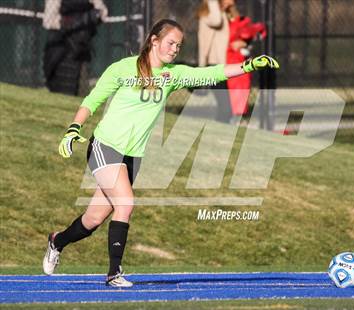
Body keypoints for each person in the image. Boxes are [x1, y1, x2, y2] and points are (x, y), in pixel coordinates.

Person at [43, 19, 279, 287]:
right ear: (154, 41)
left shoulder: (172, 74)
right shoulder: (123, 68)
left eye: (179, 45)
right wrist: (73, 128)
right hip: (105, 145)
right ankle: (113, 274)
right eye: (170, 43)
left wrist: (247, 66)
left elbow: (210, 74)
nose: (175, 49)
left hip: (132, 157)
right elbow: (92, 100)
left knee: (93, 219)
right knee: (126, 203)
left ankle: (57, 240)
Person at [42, 0, 108, 96]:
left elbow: (102, 13)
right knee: (59, 87)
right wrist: (73, 22)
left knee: (80, 91)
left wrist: (88, 18)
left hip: (81, 49)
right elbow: (49, 21)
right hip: (60, 47)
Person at [197, 0, 246, 123]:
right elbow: (217, 20)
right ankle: (217, 135)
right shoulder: (208, 16)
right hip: (215, 66)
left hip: (230, 65)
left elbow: (239, 29)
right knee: (226, 109)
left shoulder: (225, 14)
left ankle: (220, 133)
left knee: (229, 109)